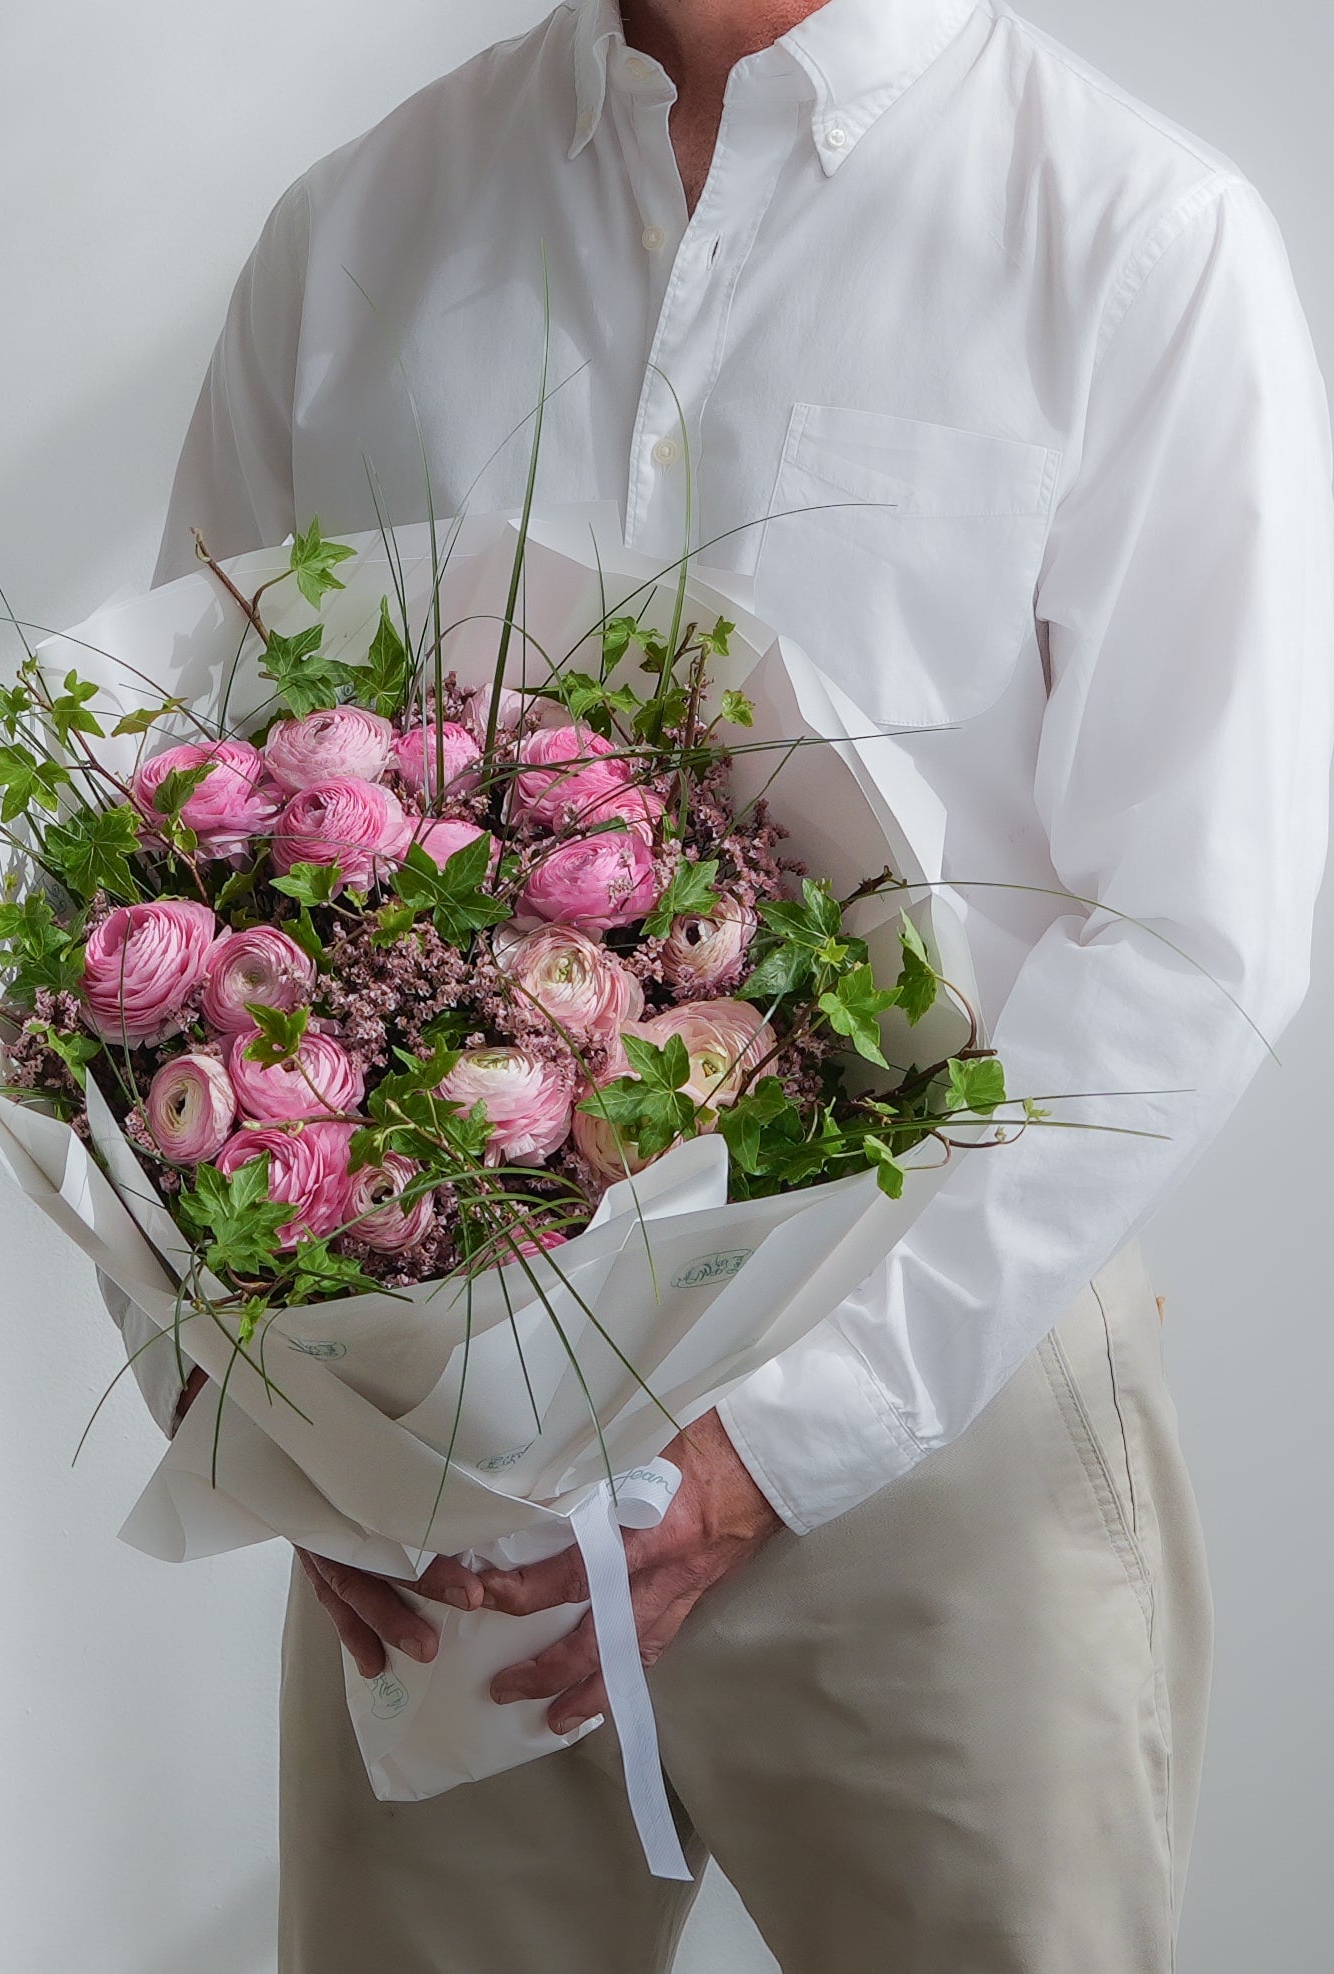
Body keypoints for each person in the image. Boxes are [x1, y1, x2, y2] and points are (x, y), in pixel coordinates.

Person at [112, 2, 1334, 1965]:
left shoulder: (1133, 239)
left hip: (937, 1415)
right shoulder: (359, 232)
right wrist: (267, 1399)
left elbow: (1196, 923)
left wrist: (782, 1444)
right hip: (432, 1447)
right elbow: (176, 820)